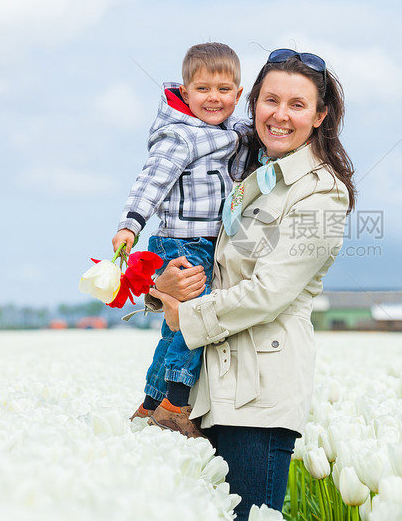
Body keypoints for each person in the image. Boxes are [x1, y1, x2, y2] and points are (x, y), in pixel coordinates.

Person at [149, 48, 356, 518]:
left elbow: (270, 293)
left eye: (297, 105)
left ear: (320, 116)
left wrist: (187, 314)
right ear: (254, 104)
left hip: (258, 399)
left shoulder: (321, 194)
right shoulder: (248, 178)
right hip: (205, 391)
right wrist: (164, 286)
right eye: (270, 100)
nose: (280, 115)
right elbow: (207, 269)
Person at [112, 42, 245, 436]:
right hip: (184, 243)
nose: (213, 98)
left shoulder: (228, 133)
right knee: (195, 322)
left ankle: (150, 402)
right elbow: (150, 180)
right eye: (202, 89)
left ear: (238, 95)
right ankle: (176, 403)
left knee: (174, 327)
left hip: (201, 240)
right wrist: (130, 224)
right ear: (184, 93)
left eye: (224, 90)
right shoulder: (180, 137)